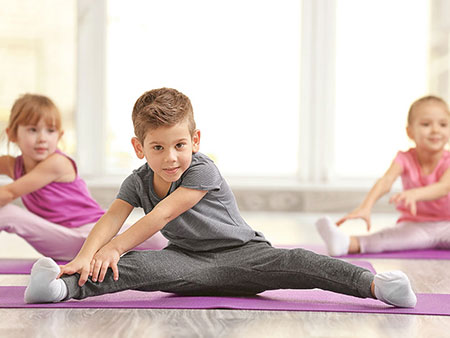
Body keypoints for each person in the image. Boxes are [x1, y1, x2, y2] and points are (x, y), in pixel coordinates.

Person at [24, 88, 416, 308]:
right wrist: (84, 258)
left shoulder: (201, 169)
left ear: (195, 140)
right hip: (187, 263)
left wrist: (114, 247)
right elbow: (111, 218)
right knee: (134, 268)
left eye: (179, 144)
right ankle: (61, 289)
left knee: (302, 262)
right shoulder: (138, 179)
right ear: (139, 147)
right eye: (157, 148)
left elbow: (159, 217)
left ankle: (376, 286)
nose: (171, 157)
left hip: (246, 256)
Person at [0, 94, 166, 261]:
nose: (42, 138)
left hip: (91, 235)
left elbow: (9, 193)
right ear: (12, 134)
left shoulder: (57, 163)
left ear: (59, 135)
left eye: (50, 131)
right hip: (62, 237)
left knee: (161, 237)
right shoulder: (12, 164)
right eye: (32, 130)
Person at [317, 95, 450, 256]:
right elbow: (386, 181)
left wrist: (416, 194)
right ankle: (345, 243)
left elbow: (444, 187)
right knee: (387, 238)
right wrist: (366, 206)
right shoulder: (404, 158)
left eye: (443, 124)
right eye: (426, 124)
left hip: (447, 224)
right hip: (416, 225)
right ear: (410, 132)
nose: (435, 130)